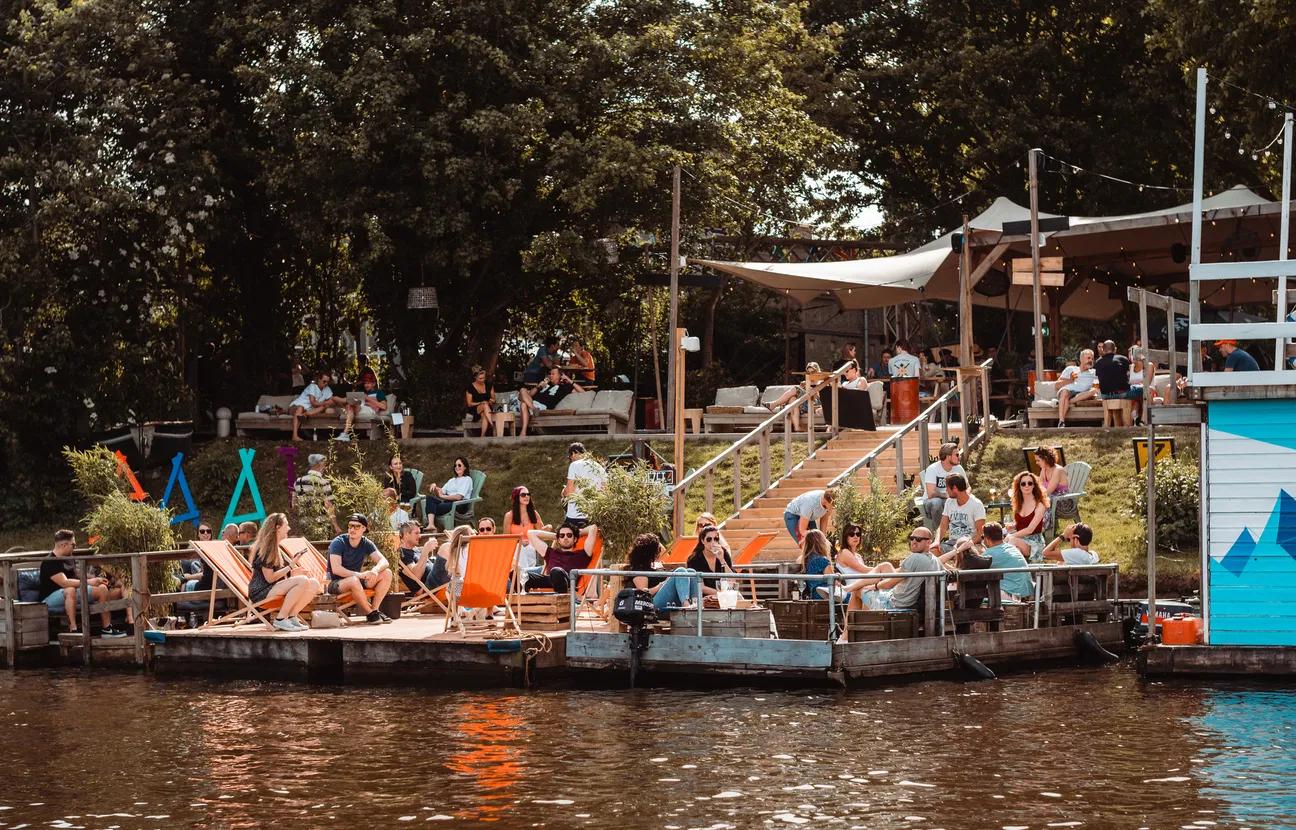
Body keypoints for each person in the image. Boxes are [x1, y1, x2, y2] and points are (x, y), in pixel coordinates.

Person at [40, 529, 127, 637]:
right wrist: (90, 582)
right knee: (70, 589)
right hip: (49, 600)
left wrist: (97, 579)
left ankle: (107, 629)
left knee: (102, 589)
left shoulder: (69, 558)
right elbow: (65, 582)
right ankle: (73, 630)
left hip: (71, 594)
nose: (75, 547)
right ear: (63, 545)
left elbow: (76, 575)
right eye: (73, 544)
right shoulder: (49, 561)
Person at [248, 513, 322, 631]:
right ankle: (281, 620)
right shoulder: (267, 549)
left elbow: (277, 578)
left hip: (272, 588)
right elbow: (269, 579)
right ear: (277, 528)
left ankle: (292, 616)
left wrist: (292, 574)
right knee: (302, 581)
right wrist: (291, 566)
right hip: (261, 592)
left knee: (313, 583)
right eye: (286, 525)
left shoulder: (276, 547)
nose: (289, 528)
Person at [853, 526, 945, 613]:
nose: (914, 541)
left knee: (857, 591)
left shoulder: (915, 558)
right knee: (869, 593)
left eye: (918, 539)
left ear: (929, 542)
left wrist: (875, 586)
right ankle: (864, 624)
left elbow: (890, 583)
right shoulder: (935, 560)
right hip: (911, 603)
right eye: (912, 538)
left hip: (895, 604)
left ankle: (849, 629)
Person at [326, 513, 393, 624]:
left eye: (356, 526)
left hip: (356, 581)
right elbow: (337, 569)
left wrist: (374, 571)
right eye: (350, 526)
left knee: (387, 573)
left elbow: (384, 561)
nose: (352, 529)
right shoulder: (338, 543)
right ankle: (370, 613)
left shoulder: (365, 543)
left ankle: (375, 610)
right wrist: (359, 575)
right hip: (336, 583)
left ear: (363, 528)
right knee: (354, 580)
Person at [627, 533, 696, 611]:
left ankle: (696, 605)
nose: (660, 551)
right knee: (681, 571)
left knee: (691, 572)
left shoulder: (655, 565)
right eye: (658, 549)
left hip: (668, 601)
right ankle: (687, 607)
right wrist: (659, 586)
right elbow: (643, 594)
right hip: (651, 605)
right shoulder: (639, 569)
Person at [526, 523, 599, 593]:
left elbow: (593, 528)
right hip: (550, 580)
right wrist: (557, 536)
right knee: (523, 576)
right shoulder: (550, 553)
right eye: (562, 535)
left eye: (569, 535)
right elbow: (531, 533)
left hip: (567, 582)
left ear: (575, 539)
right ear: (558, 540)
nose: (565, 538)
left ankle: (561, 600)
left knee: (556, 571)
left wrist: (577, 533)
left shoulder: (583, 554)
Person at [519, 367, 584, 436]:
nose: (550, 376)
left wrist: (569, 380)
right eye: (550, 374)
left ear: (560, 375)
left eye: (553, 374)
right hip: (532, 404)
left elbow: (583, 392)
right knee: (523, 390)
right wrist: (538, 387)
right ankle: (533, 409)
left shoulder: (565, 387)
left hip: (542, 406)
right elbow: (528, 395)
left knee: (523, 404)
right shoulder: (545, 384)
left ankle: (523, 431)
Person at [981, 522, 1034, 601]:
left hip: (1013, 595)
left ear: (986, 538)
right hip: (1027, 593)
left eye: (983, 537)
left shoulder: (989, 554)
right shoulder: (1011, 547)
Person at [932, 473, 984, 554]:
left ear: (955, 488)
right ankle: (950, 567)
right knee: (932, 551)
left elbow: (980, 533)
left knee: (975, 552)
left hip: (970, 544)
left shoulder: (976, 504)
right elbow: (943, 526)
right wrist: (936, 541)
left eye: (947, 488)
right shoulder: (949, 502)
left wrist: (967, 545)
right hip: (952, 543)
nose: (946, 491)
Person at [1006, 470, 1050, 563]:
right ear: (1019, 486)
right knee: (1016, 551)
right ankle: (1019, 572)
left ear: (1034, 485)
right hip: (1020, 539)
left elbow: (1030, 529)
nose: (1027, 486)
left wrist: (1011, 535)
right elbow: (1020, 522)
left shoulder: (1039, 505)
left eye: (1030, 483)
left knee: (1011, 541)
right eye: (1023, 484)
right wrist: (1013, 526)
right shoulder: (1019, 503)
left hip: (1034, 542)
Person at [765, 362, 823, 430]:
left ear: (817, 371)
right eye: (808, 372)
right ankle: (797, 427)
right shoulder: (806, 382)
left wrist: (811, 389)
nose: (810, 374)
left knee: (795, 389)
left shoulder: (821, 382)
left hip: (814, 404)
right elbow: (802, 396)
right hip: (803, 404)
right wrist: (804, 387)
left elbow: (820, 397)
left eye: (813, 372)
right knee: (792, 399)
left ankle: (774, 404)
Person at [920, 443, 965, 531]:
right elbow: (931, 493)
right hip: (932, 502)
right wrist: (947, 495)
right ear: (948, 456)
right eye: (956, 454)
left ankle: (963, 532)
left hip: (952, 499)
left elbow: (967, 487)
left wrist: (965, 495)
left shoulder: (959, 468)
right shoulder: (933, 469)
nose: (959, 457)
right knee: (936, 503)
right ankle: (941, 533)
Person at [397, 520, 450, 594]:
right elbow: (416, 575)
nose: (420, 536)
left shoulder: (415, 550)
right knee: (446, 547)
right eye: (416, 533)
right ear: (406, 535)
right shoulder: (402, 553)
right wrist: (425, 550)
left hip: (436, 583)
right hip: (428, 589)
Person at [295, 453, 341, 534]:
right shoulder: (324, 482)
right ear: (319, 465)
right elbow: (329, 505)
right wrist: (335, 525)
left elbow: (294, 503)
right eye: (324, 464)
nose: (324, 467)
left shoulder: (299, 481)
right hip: (321, 523)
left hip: (304, 523)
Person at [423, 456, 475, 527]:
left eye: (459, 465)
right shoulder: (452, 480)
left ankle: (431, 525)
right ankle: (431, 525)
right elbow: (441, 492)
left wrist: (443, 497)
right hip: (448, 503)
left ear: (465, 467)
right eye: (455, 465)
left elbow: (459, 497)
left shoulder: (467, 479)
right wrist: (435, 487)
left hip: (459, 505)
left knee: (432, 508)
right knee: (429, 498)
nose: (457, 467)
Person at [563, 442, 606, 529]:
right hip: (594, 514)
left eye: (570, 457)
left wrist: (564, 491)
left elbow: (569, 493)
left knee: (567, 539)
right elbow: (605, 490)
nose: (571, 459)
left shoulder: (574, 465)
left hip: (576, 515)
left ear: (574, 453)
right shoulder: (599, 467)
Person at [335, 373, 388, 442]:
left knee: (350, 405)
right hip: (360, 408)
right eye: (365, 383)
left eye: (368, 383)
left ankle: (345, 434)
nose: (366, 385)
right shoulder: (363, 393)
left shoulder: (379, 392)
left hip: (370, 410)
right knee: (349, 405)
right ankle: (345, 434)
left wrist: (368, 398)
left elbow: (383, 406)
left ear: (374, 384)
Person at [685, 525, 735, 597]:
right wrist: (720, 594)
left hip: (724, 595)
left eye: (716, 539)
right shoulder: (695, 559)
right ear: (702, 541)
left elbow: (732, 581)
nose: (713, 542)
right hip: (704, 598)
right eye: (709, 539)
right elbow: (700, 587)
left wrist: (722, 560)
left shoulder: (723, 553)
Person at [1094, 340, 1139, 419]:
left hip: (1105, 395)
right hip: (1123, 393)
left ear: (1103, 350)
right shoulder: (1123, 359)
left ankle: (1119, 425)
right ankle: (1140, 419)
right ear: (1115, 349)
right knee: (1143, 390)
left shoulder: (1098, 362)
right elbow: (1127, 376)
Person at [1056, 349, 1097, 427]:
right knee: (1065, 392)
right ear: (1081, 359)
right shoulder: (1071, 369)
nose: (1091, 360)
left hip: (1082, 395)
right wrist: (1070, 380)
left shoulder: (1093, 372)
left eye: (1092, 358)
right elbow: (1057, 385)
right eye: (1088, 358)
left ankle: (1070, 401)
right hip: (1067, 391)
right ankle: (1061, 421)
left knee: (1094, 390)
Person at [289, 369, 334, 441]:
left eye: (327, 382)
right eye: (324, 381)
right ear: (319, 379)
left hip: (308, 410)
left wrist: (328, 404)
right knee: (300, 408)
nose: (326, 383)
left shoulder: (327, 389)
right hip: (295, 407)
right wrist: (326, 402)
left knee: (323, 407)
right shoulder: (312, 386)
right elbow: (313, 402)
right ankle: (294, 436)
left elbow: (332, 401)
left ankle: (305, 415)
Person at [795, 529, 833, 599]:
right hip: (825, 596)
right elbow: (832, 582)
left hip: (812, 595)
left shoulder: (803, 559)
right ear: (822, 543)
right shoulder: (823, 560)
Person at [464, 366, 495, 437]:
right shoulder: (470, 387)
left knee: (484, 414)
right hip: (475, 408)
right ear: (475, 377)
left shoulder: (489, 385)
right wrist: (481, 402)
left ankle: (482, 436)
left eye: (484, 378)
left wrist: (490, 401)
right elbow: (469, 404)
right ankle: (492, 425)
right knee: (484, 405)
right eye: (480, 378)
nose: (483, 380)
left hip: (488, 408)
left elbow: (493, 399)